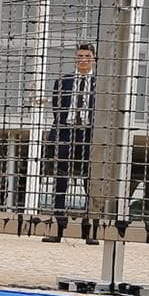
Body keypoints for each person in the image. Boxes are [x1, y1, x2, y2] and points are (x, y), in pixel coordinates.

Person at [45, 42, 97, 212]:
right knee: (61, 176)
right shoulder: (63, 81)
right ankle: (58, 216)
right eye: (80, 56)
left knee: (90, 177)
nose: (83, 60)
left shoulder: (100, 83)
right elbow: (57, 109)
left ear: (94, 59)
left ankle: (91, 219)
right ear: (75, 59)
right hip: (66, 132)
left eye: (87, 56)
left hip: (89, 134)